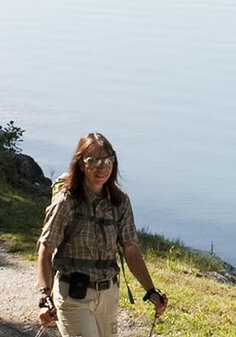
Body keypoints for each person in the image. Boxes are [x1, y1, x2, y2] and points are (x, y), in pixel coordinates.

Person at [36, 133, 168, 337]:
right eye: (93, 161)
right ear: (81, 164)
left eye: (107, 160)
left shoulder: (120, 202)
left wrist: (151, 291)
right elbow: (45, 249)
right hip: (73, 296)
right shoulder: (66, 202)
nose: (102, 167)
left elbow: (131, 251)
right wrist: (45, 297)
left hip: (108, 295)